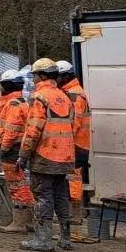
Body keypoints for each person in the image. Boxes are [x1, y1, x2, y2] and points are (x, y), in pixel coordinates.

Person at [18, 57, 77, 252]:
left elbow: (33, 129)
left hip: (45, 154)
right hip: (65, 155)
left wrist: (24, 155)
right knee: (61, 195)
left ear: (41, 75)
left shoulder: (40, 97)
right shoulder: (64, 97)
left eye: (35, 75)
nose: (33, 79)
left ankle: (43, 239)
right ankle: (65, 238)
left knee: (43, 196)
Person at [0, 69, 33, 233]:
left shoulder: (13, 105)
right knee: (21, 183)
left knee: (17, 185)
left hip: (12, 150)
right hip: (17, 148)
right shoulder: (18, 102)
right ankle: (28, 220)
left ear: (7, 85)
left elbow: (12, 130)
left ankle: (20, 222)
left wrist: (4, 148)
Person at [56, 58, 91, 193]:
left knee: (72, 180)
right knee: (72, 179)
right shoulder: (73, 92)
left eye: (57, 76)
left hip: (75, 145)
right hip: (78, 144)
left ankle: (75, 210)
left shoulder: (73, 96)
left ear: (65, 76)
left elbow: (72, 124)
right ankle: (74, 208)